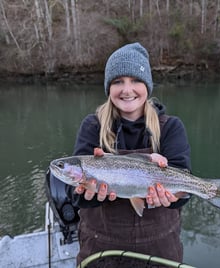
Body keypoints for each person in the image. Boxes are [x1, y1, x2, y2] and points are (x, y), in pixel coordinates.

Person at [66, 42, 191, 267]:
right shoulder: (92, 127)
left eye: (135, 80)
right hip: (101, 249)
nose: (126, 89)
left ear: (147, 85)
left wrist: (171, 198)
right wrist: (90, 193)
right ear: (108, 87)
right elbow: (74, 197)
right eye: (118, 82)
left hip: (160, 250)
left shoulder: (171, 127)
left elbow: (184, 187)